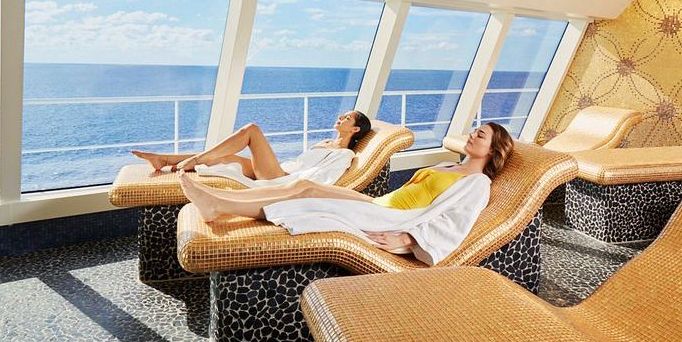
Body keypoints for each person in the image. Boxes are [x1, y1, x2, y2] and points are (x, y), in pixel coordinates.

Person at [178, 122, 514, 253]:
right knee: (305, 182)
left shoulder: (477, 183)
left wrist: (409, 238)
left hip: (390, 217)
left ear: (493, 149)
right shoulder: (448, 166)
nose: (472, 134)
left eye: (480, 135)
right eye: (474, 130)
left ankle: (218, 206)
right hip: (379, 202)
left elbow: (456, 222)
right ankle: (223, 197)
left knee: (306, 195)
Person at [131, 111, 372, 183]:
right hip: (282, 169)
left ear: (355, 130)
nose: (341, 118)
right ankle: (163, 160)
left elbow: (322, 179)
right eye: (341, 116)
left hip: (283, 177)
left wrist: (289, 180)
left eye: (347, 119)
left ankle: (192, 160)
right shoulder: (324, 143)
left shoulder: (344, 154)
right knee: (223, 157)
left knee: (252, 130)